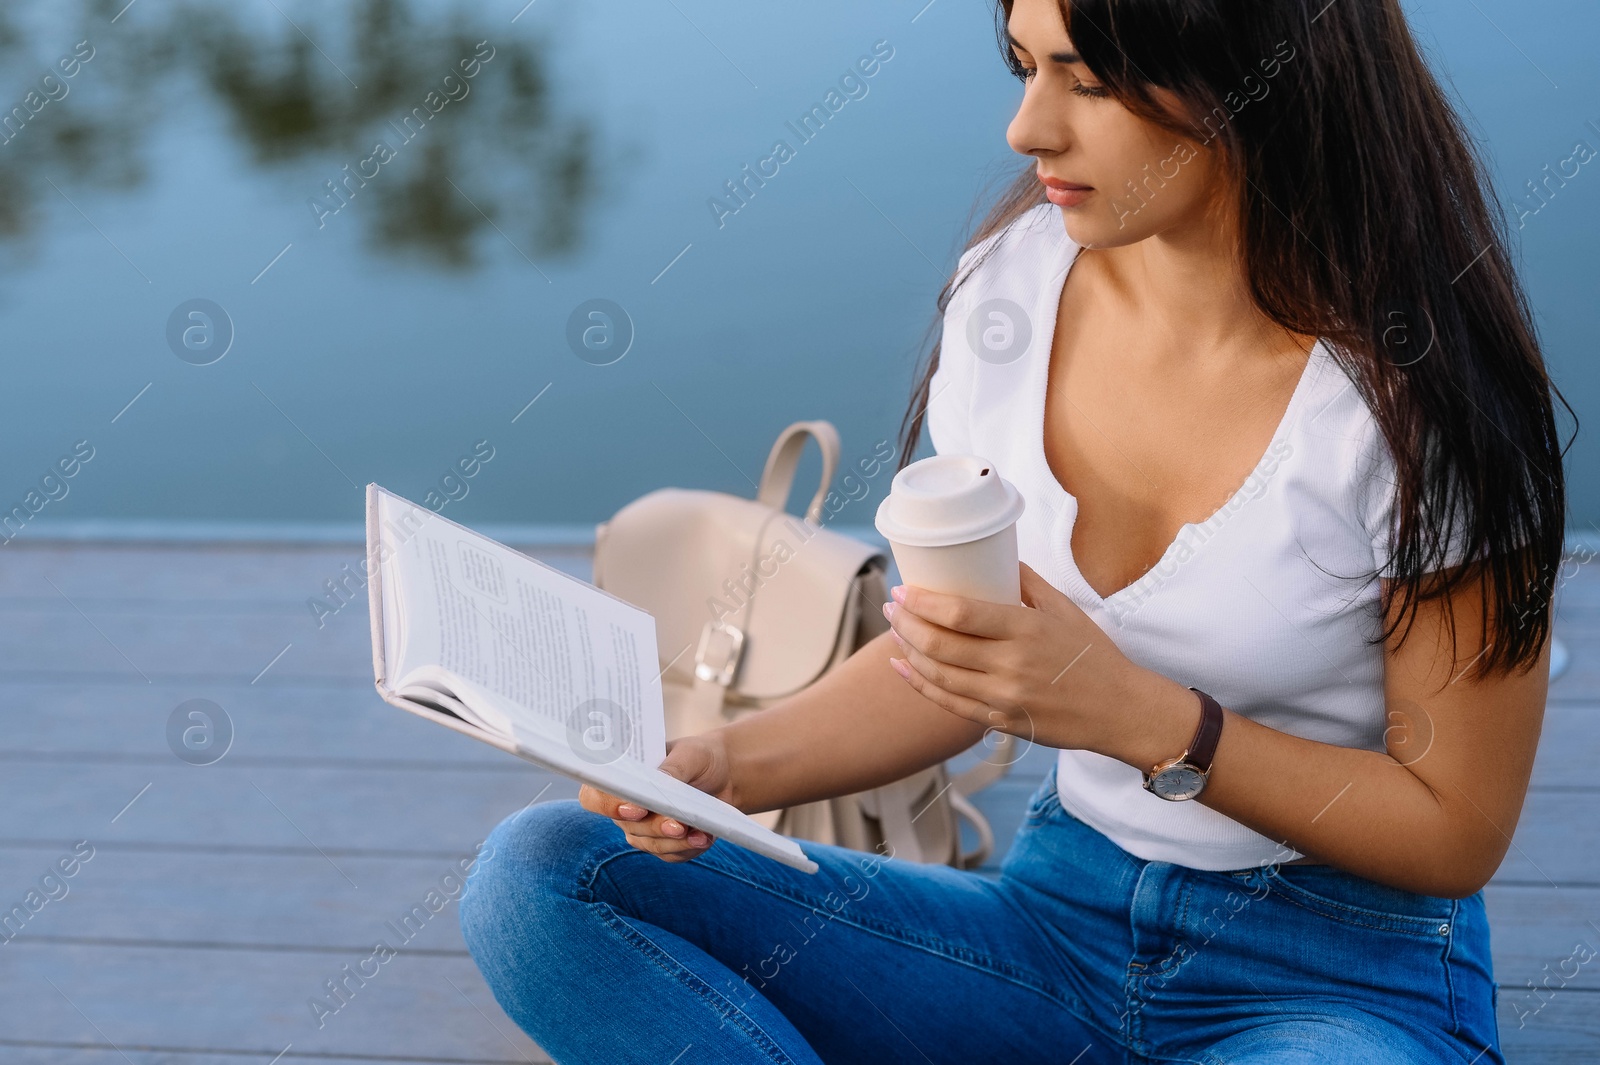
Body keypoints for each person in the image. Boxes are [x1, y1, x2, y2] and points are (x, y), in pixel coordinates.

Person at [459, 0, 1570, 1060]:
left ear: (1251, 82)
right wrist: (721, 768)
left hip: (1337, 977)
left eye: (1084, 82)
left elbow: (1453, 832)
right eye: (1026, 65)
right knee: (546, 877)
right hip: (1054, 927)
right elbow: (949, 654)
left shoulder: (1416, 406)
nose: (1027, 127)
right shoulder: (1012, 293)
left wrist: (1147, 720)